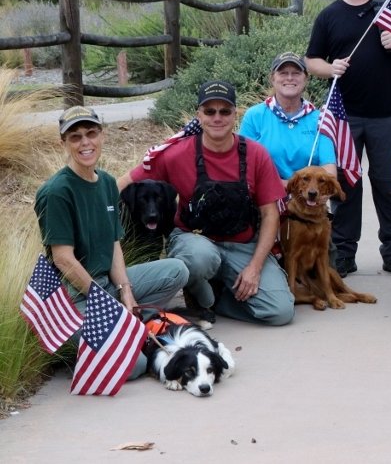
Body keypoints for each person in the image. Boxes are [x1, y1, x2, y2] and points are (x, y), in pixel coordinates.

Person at [118, 80, 294, 326]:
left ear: (235, 114)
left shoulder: (256, 154)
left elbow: (270, 214)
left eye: (225, 111)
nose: (217, 118)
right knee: (200, 258)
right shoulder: (176, 154)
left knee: (280, 312)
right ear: (199, 115)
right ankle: (198, 286)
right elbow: (124, 182)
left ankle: (217, 299)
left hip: (243, 245)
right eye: (210, 111)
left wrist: (254, 267)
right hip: (195, 241)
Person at [35, 106, 188, 379]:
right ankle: (79, 345)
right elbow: (63, 259)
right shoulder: (56, 192)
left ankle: (126, 325)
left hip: (107, 282)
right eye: (75, 137)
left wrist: (126, 292)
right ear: (64, 143)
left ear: (102, 136)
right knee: (136, 366)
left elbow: (114, 244)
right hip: (73, 295)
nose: (85, 143)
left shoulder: (106, 183)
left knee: (177, 270)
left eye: (91, 133)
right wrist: (106, 301)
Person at [305, 0, 391, 279]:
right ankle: (344, 252)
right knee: (344, 185)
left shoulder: (390, 10)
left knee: (387, 184)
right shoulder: (329, 16)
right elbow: (311, 61)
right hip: (343, 117)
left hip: (385, 114)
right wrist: (330, 68)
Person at [240, 51, 336, 185]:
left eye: (296, 73)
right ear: (272, 79)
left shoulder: (321, 119)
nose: (290, 78)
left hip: (307, 200)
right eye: (283, 73)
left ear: (305, 79)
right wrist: (284, 186)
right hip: (264, 196)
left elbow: (329, 171)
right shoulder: (254, 116)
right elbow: (243, 166)